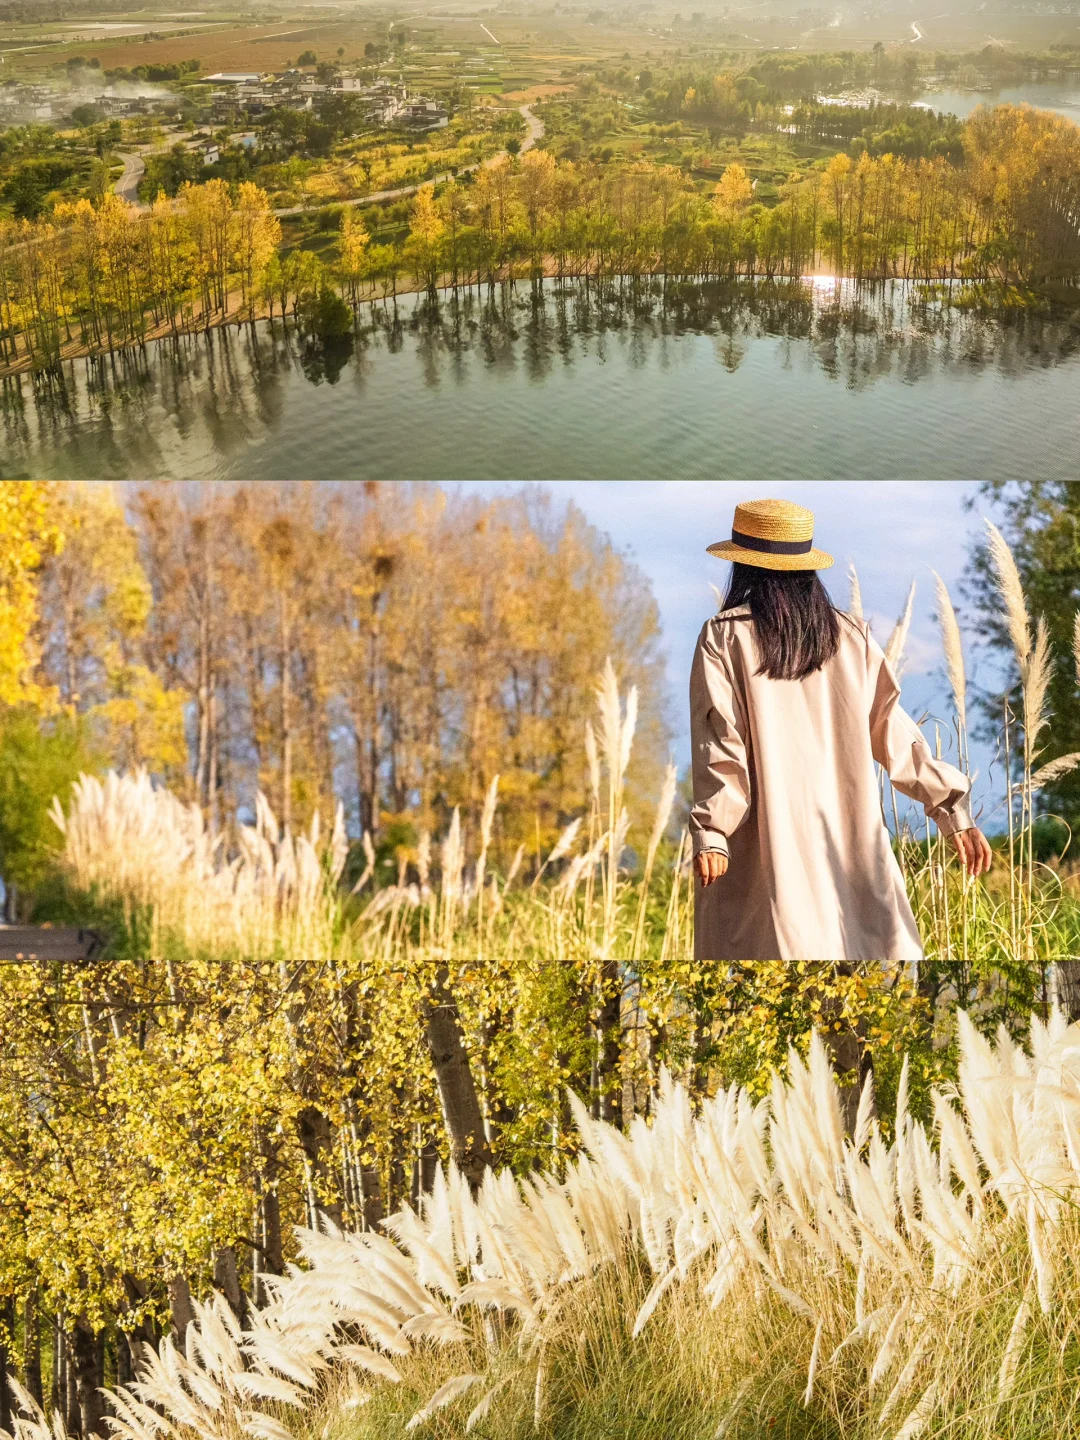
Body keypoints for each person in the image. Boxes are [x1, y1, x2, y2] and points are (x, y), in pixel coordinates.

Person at [690, 497, 991, 962]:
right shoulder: (852, 638)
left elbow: (720, 743)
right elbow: (896, 734)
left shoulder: (724, 636)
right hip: (850, 854)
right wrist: (952, 809)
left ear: (743, 567)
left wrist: (712, 831)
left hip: (766, 860)